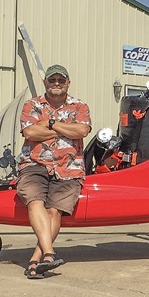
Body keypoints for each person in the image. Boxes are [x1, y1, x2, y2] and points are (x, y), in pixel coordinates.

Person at [16, 64, 91, 279]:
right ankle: (49, 253)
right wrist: (65, 129)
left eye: (60, 80)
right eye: (52, 80)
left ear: (68, 82)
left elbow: (82, 130)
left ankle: (36, 260)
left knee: (54, 211)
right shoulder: (32, 104)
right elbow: (29, 132)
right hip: (34, 163)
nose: (56, 83)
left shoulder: (80, 106)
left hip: (69, 168)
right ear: (45, 83)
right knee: (35, 201)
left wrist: (49, 124)